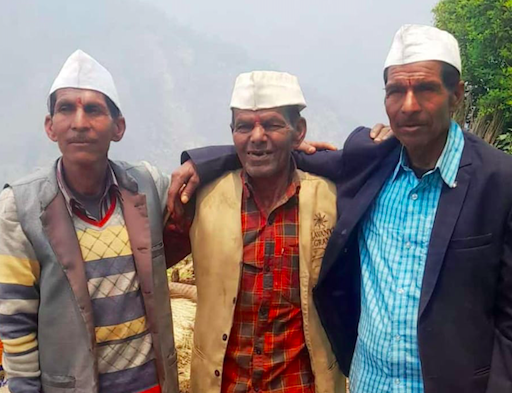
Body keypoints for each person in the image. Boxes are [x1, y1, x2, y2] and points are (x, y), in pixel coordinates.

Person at [167, 25, 512, 393]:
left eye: (425, 89)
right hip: (368, 383)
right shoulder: (369, 165)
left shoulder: (499, 180)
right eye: (396, 91)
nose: (409, 105)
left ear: (456, 95)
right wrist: (202, 162)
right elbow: (269, 152)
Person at [0, 50, 179, 393]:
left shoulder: (146, 186)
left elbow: (204, 191)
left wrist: (295, 153)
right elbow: (16, 323)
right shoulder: (19, 208)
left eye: (94, 110)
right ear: (50, 126)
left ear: (118, 127)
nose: (79, 122)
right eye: (66, 108)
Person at [164, 71, 346, 393]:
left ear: (298, 131)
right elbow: (146, 261)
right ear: (232, 133)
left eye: (273, 125)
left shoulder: (330, 200)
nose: (257, 137)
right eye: (244, 126)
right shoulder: (201, 200)